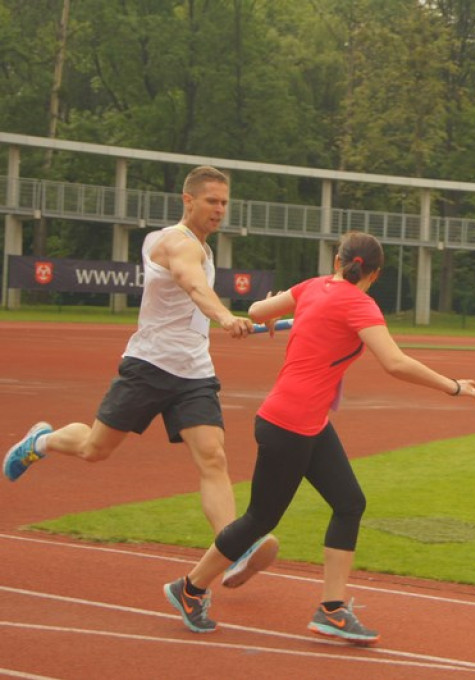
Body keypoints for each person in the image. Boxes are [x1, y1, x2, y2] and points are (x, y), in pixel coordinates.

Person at [162, 231, 475, 642]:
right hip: (289, 423)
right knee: (260, 518)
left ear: (338, 260)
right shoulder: (361, 304)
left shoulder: (313, 287)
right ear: (376, 274)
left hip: (306, 421)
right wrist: (451, 385)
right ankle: (189, 588)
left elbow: (257, 309)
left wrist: (275, 314)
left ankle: (332, 609)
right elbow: (395, 363)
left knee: (349, 503)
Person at [4, 165, 278, 588]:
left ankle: (235, 547)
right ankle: (41, 441)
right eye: (212, 201)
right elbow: (192, 285)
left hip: (194, 372)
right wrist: (225, 315)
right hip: (149, 367)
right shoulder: (175, 243)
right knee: (96, 449)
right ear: (188, 200)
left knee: (213, 456)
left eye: (224, 202)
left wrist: (245, 317)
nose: (219, 209)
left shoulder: (204, 248)